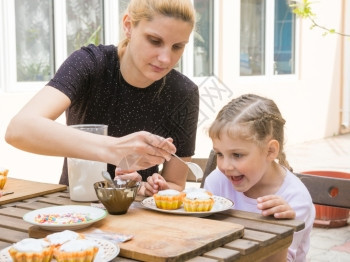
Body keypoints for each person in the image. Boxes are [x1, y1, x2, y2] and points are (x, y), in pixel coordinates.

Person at [5, 0, 199, 197]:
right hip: (74, 208)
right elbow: (19, 129)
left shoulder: (184, 93)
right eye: (154, 41)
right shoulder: (90, 63)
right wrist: (115, 149)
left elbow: (175, 183)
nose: (166, 59)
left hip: (137, 213)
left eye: (177, 46)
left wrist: (154, 189)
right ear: (128, 26)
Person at [203, 94, 315, 262]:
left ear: (270, 151)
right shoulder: (217, 182)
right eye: (219, 154)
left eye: (237, 155)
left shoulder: (294, 199)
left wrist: (281, 229)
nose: (225, 166)